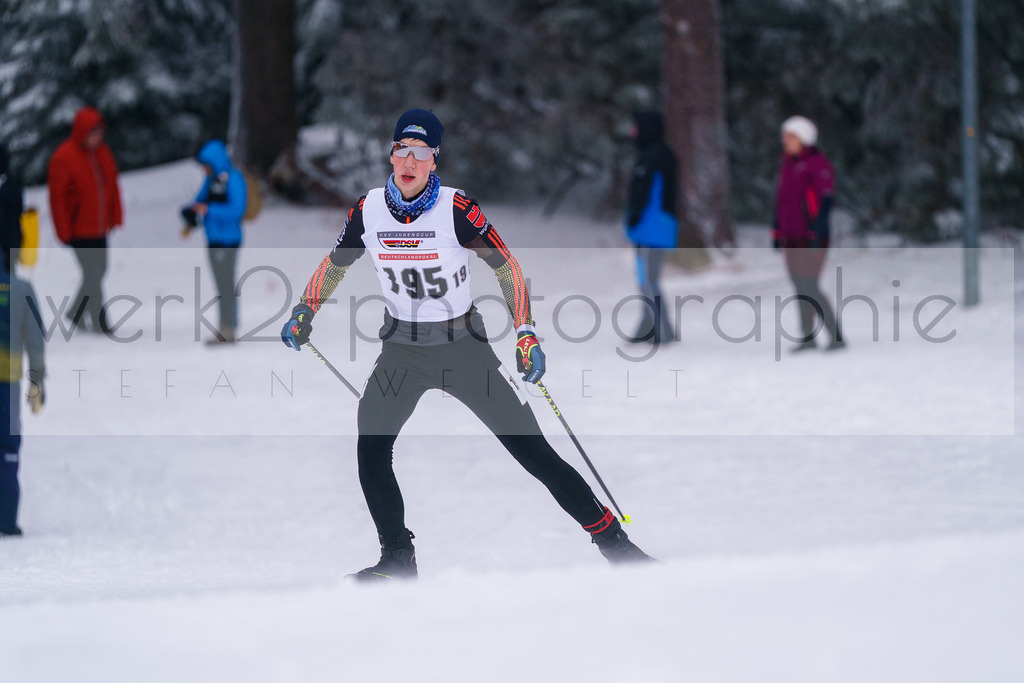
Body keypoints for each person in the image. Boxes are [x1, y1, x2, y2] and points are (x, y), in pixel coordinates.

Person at [281, 109, 653, 581]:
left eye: (420, 152)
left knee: (534, 453)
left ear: (434, 160)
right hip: (402, 351)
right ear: (391, 155)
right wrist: (305, 309)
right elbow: (335, 263)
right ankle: (397, 558)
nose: (409, 161)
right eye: (401, 150)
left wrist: (525, 332)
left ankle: (615, 545)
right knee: (371, 450)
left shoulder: (456, 209)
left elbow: (507, 267)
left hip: (464, 349)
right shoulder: (368, 210)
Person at [0, 144, 45, 537]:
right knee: (9, 448)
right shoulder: (20, 288)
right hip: (10, 378)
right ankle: (7, 519)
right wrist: (39, 378)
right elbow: (36, 337)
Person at [47, 106, 123, 334]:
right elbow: (57, 199)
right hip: (78, 229)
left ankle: (76, 312)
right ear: (82, 132)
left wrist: (115, 215)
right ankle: (100, 320)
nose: (97, 138)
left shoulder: (103, 153)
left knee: (100, 270)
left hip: (100, 227)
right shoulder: (64, 157)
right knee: (93, 273)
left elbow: (112, 187)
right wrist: (63, 231)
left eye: (99, 134)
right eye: (93, 133)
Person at [772, 115, 844, 352]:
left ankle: (835, 336)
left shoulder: (817, 164)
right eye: (785, 137)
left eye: (790, 136)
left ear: (804, 138)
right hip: (791, 235)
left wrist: (818, 231)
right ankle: (808, 336)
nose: (785, 141)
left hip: (811, 235)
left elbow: (825, 201)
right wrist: (776, 231)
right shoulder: (787, 165)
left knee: (809, 284)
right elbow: (780, 202)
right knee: (798, 285)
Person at [182, 140, 247, 344]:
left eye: (206, 163)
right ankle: (228, 325)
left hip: (228, 240)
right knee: (222, 284)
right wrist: (191, 212)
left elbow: (237, 210)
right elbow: (200, 200)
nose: (204, 167)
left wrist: (209, 210)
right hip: (213, 238)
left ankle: (227, 328)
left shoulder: (234, 179)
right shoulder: (211, 180)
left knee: (225, 284)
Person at [624, 110, 678, 345]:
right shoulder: (657, 154)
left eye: (635, 127)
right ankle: (647, 327)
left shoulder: (653, 157)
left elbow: (645, 193)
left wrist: (634, 216)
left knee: (648, 280)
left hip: (653, 228)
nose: (631, 132)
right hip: (653, 227)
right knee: (644, 278)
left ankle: (663, 332)